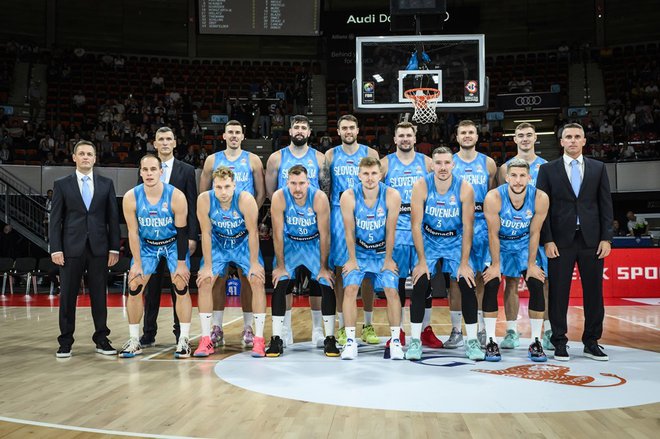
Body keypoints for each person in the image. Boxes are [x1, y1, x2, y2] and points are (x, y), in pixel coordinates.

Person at [537, 123, 613, 361]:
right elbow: (542, 209)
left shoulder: (598, 168)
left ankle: (591, 341)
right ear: (561, 142)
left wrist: (606, 238)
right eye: (567, 137)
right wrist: (547, 240)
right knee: (559, 293)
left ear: (583, 141)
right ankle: (559, 341)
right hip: (560, 241)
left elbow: (605, 205)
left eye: (576, 136)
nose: (572, 140)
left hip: (592, 240)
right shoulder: (547, 170)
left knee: (594, 293)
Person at [50, 140, 120, 358]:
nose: (86, 157)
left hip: (99, 248)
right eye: (81, 153)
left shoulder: (106, 183)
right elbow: (55, 220)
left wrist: (114, 248)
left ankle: (101, 339)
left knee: (99, 296)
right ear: (74, 157)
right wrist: (56, 249)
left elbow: (112, 218)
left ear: (95, 158)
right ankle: (65, 342)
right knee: (68, 297)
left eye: (89, 153)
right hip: (71, 248)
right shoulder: (62, 184)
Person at [198, 120, 265, 348]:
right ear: (224, 136)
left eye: (238, 132)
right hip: (218, 233)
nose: (234, 135)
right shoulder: (212, 160)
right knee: (216, 280)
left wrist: (244, 216)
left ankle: (248, 328)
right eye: (230, 132)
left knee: (249, 279)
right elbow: (204, 191)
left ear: (243, 136)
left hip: (243, 231)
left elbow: (262, 192)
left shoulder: (253, 159)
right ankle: (215, 328)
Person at [408, 147, 479, 360]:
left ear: (453, 164)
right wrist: (421, 261)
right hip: (429, 239)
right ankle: (414, 340)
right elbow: (416, 225)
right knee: (420, 284)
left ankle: (473, 340)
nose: (443, 167)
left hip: (455, 239)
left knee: (467, 283)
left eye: (447, 163)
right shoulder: (421, 186)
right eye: (438, 163)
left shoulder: (465, 188)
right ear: (432, 165)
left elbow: (468, 227)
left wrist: (464, 263)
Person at [120, 154, 192, 358]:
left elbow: (182, 232)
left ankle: (184, 339)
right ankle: (134, 340)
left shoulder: (176, 196)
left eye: (154, 169)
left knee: (180, 283)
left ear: (161, 172)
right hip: (147, 245)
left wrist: (180, 263)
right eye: (145, 170)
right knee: (134, 285)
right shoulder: (131, 197)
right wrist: (137, 263)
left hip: (172, 244)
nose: (149, 173)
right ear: (140, 172)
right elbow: (133, 232)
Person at [265, 115, 327, 346]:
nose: (299, 130)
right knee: (285, 281)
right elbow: (272, 193)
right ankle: (286, 329)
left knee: (317, 282)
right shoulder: (276, 158)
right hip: (287, 228)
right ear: (290, 131)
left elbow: (325, 191)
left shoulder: (320, 159)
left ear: (309, 132)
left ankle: (318, 330)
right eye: (296, 127)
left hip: (313, 229)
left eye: (304, 127)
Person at [483, 159, 550, 362]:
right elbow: (493, 234)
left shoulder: (540, 197)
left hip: (523, 246)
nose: (518, 180)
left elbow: (534, 232)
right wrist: (495, 265)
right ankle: (491, 341)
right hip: (500, 245)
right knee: (491, 283)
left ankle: (536, 341)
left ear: (529, 177)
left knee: (537, 284)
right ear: (506, 177)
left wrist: (531, 265)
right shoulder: (494, 197)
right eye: (514, 175)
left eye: (522, 176)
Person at [381, 122, 441, 348]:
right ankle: (398, 333)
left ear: (415, 138)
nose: (405, 139)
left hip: (420, 231)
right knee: (394, 286)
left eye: (409, 135)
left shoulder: (426, 163)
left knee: (423, 285)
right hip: (395, 233)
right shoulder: (385, 164)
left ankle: (424, 330)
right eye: (401, 135)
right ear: (395, 139)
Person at [269, 165, 337, 356]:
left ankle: (329, 338)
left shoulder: (319, 198)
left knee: (325, 282)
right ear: (286, 182)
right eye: (293, 183)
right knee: (280, 281)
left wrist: (324, 268)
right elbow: (277, 234)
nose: (297, 189)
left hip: (313, 244)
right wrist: (281, 266)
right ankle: (276, 338)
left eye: (301, 183)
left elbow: (325, 235)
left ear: (309, 183)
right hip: (291, 244)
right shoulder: (279, 197)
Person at [496, 123, 552, 352]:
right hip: (511, 235)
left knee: (542, 282)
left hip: (538, 232)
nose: (525, 139)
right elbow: (503, 200)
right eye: (520, 135)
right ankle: (511, 330)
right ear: (515, 139)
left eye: (529, 135)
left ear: (536, 137)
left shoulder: (547, 167)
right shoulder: (504, 168)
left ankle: (546, 331)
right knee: (510, 282)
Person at [139, 127, 198, 347]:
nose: (164, 142)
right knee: (151, 288)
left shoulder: (186, 170)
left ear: (175, 143)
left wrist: (192, 236)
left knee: (179, 287)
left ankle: (179, 333)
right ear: (154, 143)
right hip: (152, 239)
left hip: (177, 238)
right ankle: (148, 333)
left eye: (168, 139)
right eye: (161, 139)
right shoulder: (147, 168)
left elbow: (192, 204)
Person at [339, 157, 403, 360]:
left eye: (374, 173)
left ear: (381, 175)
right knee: (349, 289)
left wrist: (389, 259)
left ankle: (395, 342)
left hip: (382, 252)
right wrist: (351, 259)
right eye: (365, 174)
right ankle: (350, 342)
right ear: (359, 175)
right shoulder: (348, 196)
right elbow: (349, 231)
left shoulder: (392, 195)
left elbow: (391, 230)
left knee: (392, 291)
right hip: (358, 251)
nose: (369, 178)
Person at [325, 115, 379, 346]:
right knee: (340, 269)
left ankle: (368, 324)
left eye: (351, 127)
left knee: (367, 269)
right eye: (344, 128)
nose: (348, 131)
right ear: (338, 131)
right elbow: (325, 188)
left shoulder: (371, 154)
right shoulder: (330, 155)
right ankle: (342, 326)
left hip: (367, 213)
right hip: (338, 213)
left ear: (358, 130)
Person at [447, 120, 497, 348]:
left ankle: (480, 327)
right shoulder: (450, 163)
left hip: (482, 226)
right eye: (463, 132)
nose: (467, 136)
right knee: (457, 280)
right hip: (456, 226)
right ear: (456, 137)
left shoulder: (488, 164)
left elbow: (493, 197)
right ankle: (457, 329)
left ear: (477, 136)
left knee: (481, 279)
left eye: (471, 132)